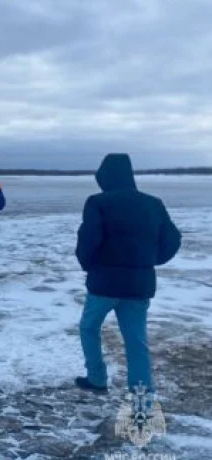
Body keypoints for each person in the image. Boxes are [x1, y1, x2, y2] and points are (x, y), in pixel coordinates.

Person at [75, 153, 182, 396]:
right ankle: (141, 392)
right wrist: (149, 262)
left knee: (89, 328)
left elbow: (88, 240)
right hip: (138, 284)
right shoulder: (153, 203)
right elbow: (173, 240)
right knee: (136, 341)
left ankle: (97, 378)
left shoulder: (98, 202)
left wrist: (88, 265)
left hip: (104, 284)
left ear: (105, 178)